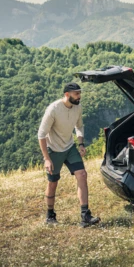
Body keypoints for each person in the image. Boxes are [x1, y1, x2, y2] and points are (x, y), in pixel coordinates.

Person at [37, 82, 100, 227]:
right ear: (67, 94)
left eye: (79, 93)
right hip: (54, 150)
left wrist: (81, 144)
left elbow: (79, 126)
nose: (79, 96)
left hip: (70, 147)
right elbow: (41, 134)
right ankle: (50, 216)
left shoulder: (77, 107)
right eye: (76, 94)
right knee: (53, 182)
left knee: (82, 174)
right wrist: (46, 158)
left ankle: (85, 216)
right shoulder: (53, 109)